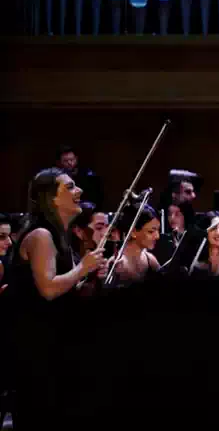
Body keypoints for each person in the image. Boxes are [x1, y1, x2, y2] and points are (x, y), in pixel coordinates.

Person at [7, 168, 107, 429]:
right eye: (70, 187)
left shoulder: (58, 237)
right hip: (37, 354)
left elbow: (65, 292)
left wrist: (90, 277)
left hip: (53, 348)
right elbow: (49, 289)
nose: (79, 191)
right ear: (51, 198)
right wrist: (82, 268)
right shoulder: (41, 236)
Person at [109, 204, 162, 286]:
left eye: (158, 230)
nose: (157, 236)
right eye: (151, 231)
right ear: (133, 232)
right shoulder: (115, 263)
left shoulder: (150, 260)